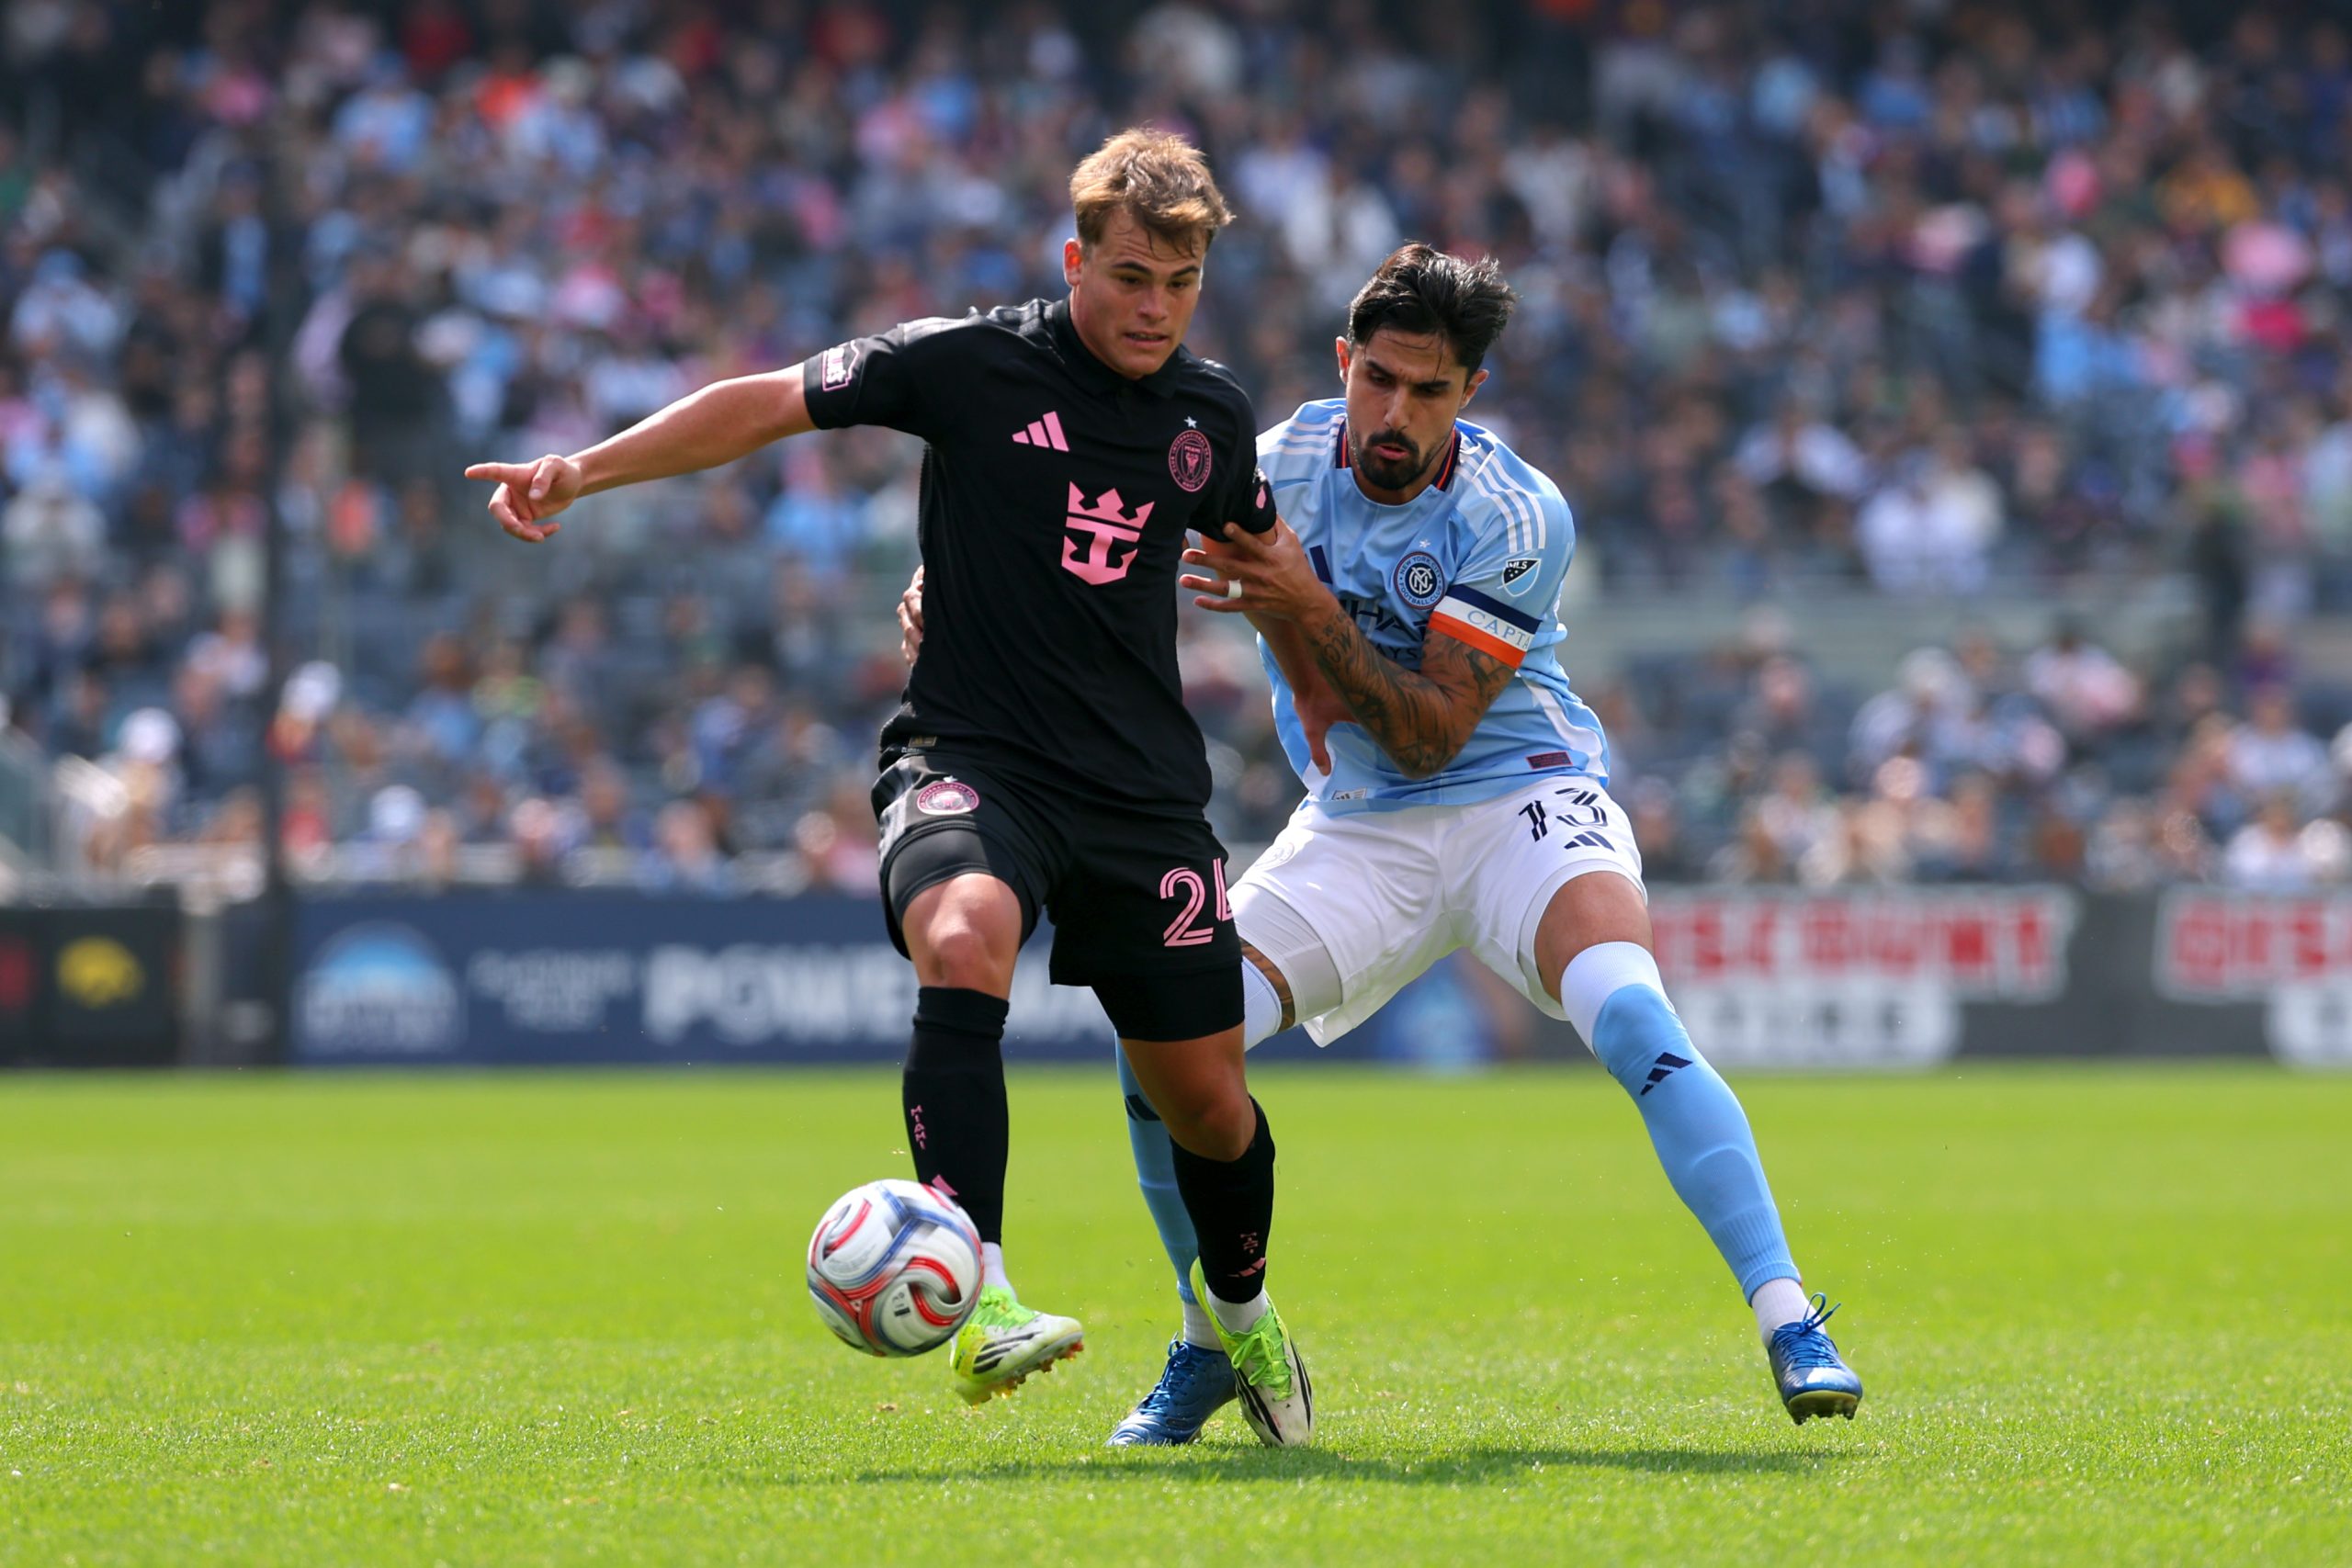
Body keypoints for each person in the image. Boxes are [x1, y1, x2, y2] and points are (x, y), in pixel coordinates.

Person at [903, 243, 1863, 1448]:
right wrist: (958, 587)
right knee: (1161, 1049)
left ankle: (1789, 1319)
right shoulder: (1266, 462)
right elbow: (1084, 525)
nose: (1397, 415)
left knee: (1629, 1012)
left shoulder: (1519, 516)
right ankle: (1210, 1338)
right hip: (1359, 832)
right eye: (1381, 382)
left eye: (1431, 391)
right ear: (1345, 364)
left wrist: (1302, 601)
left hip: (1521, 796)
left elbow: (1429, 734)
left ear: (1470, 394)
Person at [466, 130, 1312, 1443]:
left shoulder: (1207, 418)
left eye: (1181, 282)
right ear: (1074, 258)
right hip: (972, 756)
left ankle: (1244, 1327)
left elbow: (1266, 551)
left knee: (1206, 1099)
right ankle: (978, 1299)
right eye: (1132, 275)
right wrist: (585, 469)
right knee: (963, 935)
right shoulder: (970, 364)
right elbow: (767, 398)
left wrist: (1321, 634)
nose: (1154, 307)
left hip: (1143, 798)